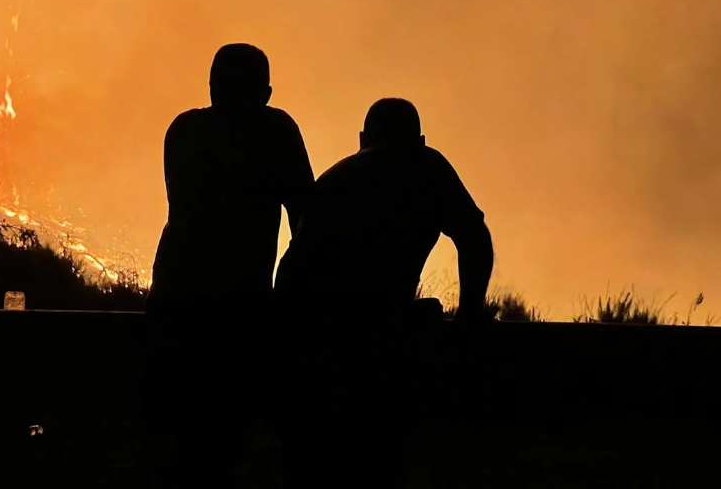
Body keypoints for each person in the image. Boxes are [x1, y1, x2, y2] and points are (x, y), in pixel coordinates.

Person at [274, 97, 493, 485]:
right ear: (421, 138)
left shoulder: (337, 177)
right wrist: (469, 313)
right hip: (363, 330)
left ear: (362, 138)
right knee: (379, 451)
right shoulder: (425, 166)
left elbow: (294, 265)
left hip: (308, 328)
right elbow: (474, 238)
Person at [146, 42, 315, 485]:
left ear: (212, 86)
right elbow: (306, 217)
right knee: (226, 436)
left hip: (174, 295)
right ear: (267, 91)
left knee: (180, 436)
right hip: (240, 302)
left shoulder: (183, 130)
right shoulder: (274, 130)